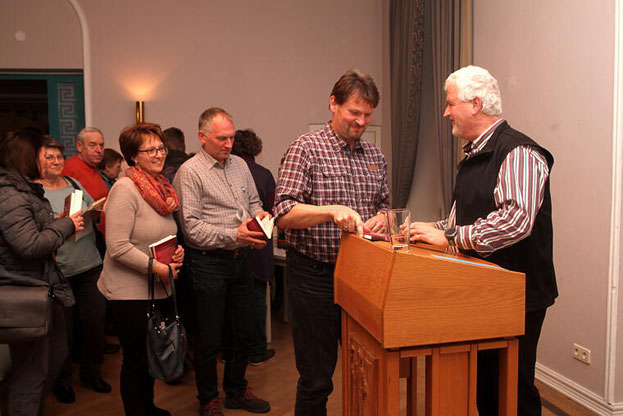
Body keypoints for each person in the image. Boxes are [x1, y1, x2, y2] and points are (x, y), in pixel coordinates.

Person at [409, 65, 557, 416]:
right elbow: (459, 221)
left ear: (475, 104)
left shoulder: (518, 152)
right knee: (489, 390)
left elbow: (515, 221)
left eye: (450, 104)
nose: (446, 113)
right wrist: (418, 229)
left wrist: (448, 237)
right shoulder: (475, 155)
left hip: (518, 295)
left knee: (513, 393)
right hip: (483, 294)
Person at [274, 69, 390, 415]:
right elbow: (283, 211)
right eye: (354, 112)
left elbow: (384, 204)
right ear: (333, 104)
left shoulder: (375, 156)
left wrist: (383, 217)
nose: (361, 121)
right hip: (314, 277)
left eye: (367, 115)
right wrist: (331, 211)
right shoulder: (305, 149)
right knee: (316, 379)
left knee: (365, 372)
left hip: (362, 275)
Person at [174, 108, 271, 416]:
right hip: (207, 263)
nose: (228, 144)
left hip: (241, 259)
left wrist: (260, 216)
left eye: (231, 137)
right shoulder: (189, 172)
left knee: (244, 331)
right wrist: (235, 234)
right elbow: (191, 228)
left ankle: (236, 389)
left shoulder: (240, 165)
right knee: (209, 337)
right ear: (202, 137)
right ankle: (208, 398)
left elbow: (253, 202)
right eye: (221, 138)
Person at [97, 123, 184, 416]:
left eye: (161, 148)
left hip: (156, 287)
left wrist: (177, 251)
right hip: (128, 294)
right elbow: (117, 247)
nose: (159, 154)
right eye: (150, 150)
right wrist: (158, 267)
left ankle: (147, 407)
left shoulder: (161, 187)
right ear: (133, 156)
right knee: (135, 360)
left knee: (149, 355)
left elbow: (162, 234)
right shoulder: (125, 189)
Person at [0, 129, 84, 416]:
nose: (47, 159)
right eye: (42, 152)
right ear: (28, 155)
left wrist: (60, 226)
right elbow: (28, 245)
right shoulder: (9, 194)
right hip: (25, 289)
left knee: (55, 356)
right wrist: (65, 225)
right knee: (31, 372)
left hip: (44, 286)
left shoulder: (24, 189)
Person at [36, 137, 111, 403]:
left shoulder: (73, 184)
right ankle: (62, 380)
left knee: (94, 323)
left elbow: (91, 208)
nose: (56, 162)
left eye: (58, 157)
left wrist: (95, 211)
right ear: (37, 161)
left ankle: (92, 373)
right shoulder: (34, 192)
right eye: (49, 157)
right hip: (59, 271)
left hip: (89, 265)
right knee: (63, 332)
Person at [230, 129, 276, 366]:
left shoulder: (232, 173)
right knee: (258, 300)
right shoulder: (264, 174)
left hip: (235, 245)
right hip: (259, 244)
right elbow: (272, 210)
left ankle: (235, 353)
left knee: (236, 304)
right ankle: (257, 350)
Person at [63, 127, 109, 203]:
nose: (99, 150)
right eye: (92, 145)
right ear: (79, 146)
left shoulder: (92, 166)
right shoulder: (69, 168)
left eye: (101, 146)